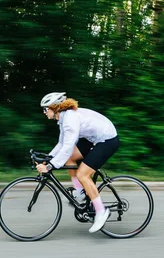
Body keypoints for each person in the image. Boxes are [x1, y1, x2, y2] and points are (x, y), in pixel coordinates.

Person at [36, 92, 120, 233]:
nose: (44, 112)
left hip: (107, 140)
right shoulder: (63, 119)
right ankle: (80, 192)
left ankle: (101, 211)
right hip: (93, 138)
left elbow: (68, 146)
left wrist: (51, 166)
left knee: (83, 175)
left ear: (54, 107)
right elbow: (62, 143)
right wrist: (47, 159)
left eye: (45, 109)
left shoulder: (70, 119)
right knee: (69, 159)